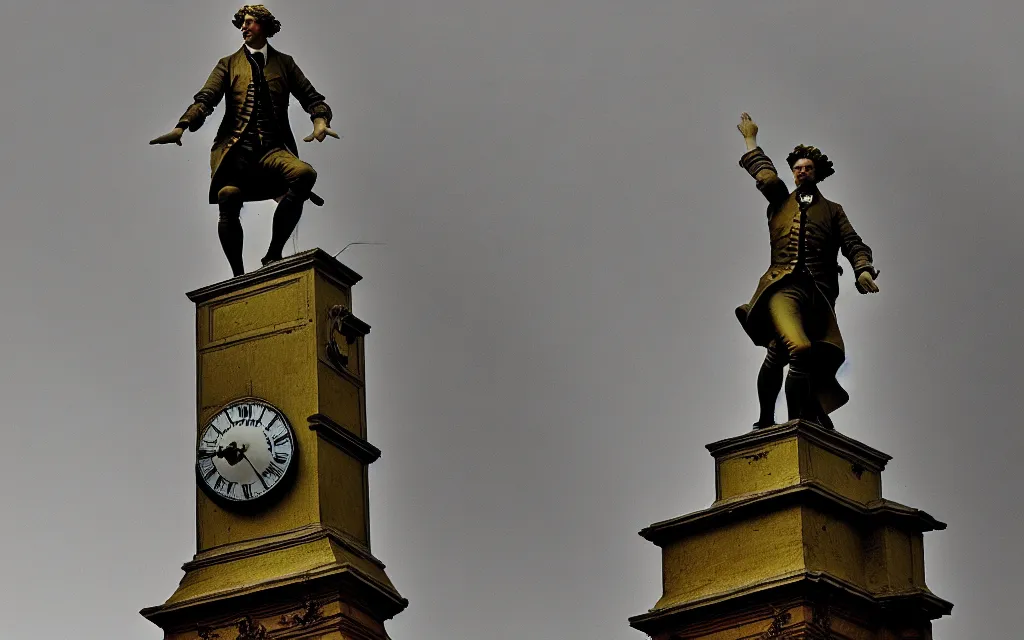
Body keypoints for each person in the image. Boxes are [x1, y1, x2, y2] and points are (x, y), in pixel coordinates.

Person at [150, 5, 339, 276]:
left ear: (264, 26)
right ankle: (237, 276)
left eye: (250, 22)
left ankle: (273, 254)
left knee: (304, 174)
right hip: (235, 153)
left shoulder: (285, 63)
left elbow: (312, 98)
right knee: (228, 196)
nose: (244, 27)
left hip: (272, 149)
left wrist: (320, 120)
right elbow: (206, 98)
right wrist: (183, 126)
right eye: (243, 23)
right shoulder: (228, 63)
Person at [734, 113, 880, 430]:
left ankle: (782, 422)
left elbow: (854, 243)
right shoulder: (779, 201)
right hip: (782, 289)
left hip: (817, 297)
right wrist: (751, 140)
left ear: (817, 173)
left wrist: (863, 269)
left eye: (807, 168)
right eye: (797, 168)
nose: (801, 172)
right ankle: (794, 421)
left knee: (782, 351)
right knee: (799, 348)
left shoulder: (832, 211)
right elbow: (768, 178)